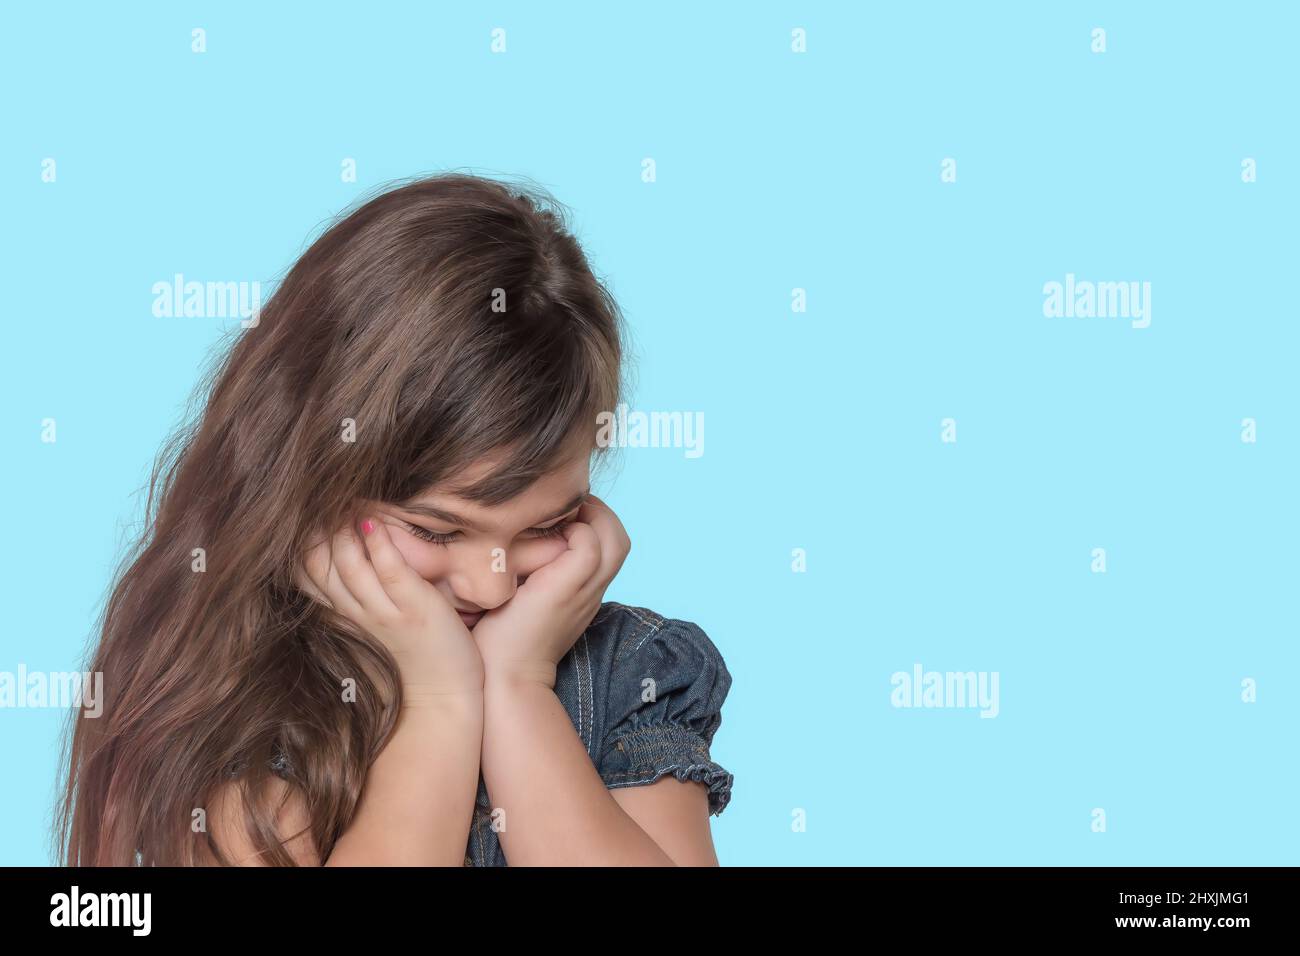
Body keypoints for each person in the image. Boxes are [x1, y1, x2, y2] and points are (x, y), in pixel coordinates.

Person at [54, 172, 734, 866]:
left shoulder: (634, 674)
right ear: (311, 479)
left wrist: (519, 688)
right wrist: (439, 705)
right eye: (437, 531)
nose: (492, 589)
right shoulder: (240, 703)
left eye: (543, 527)